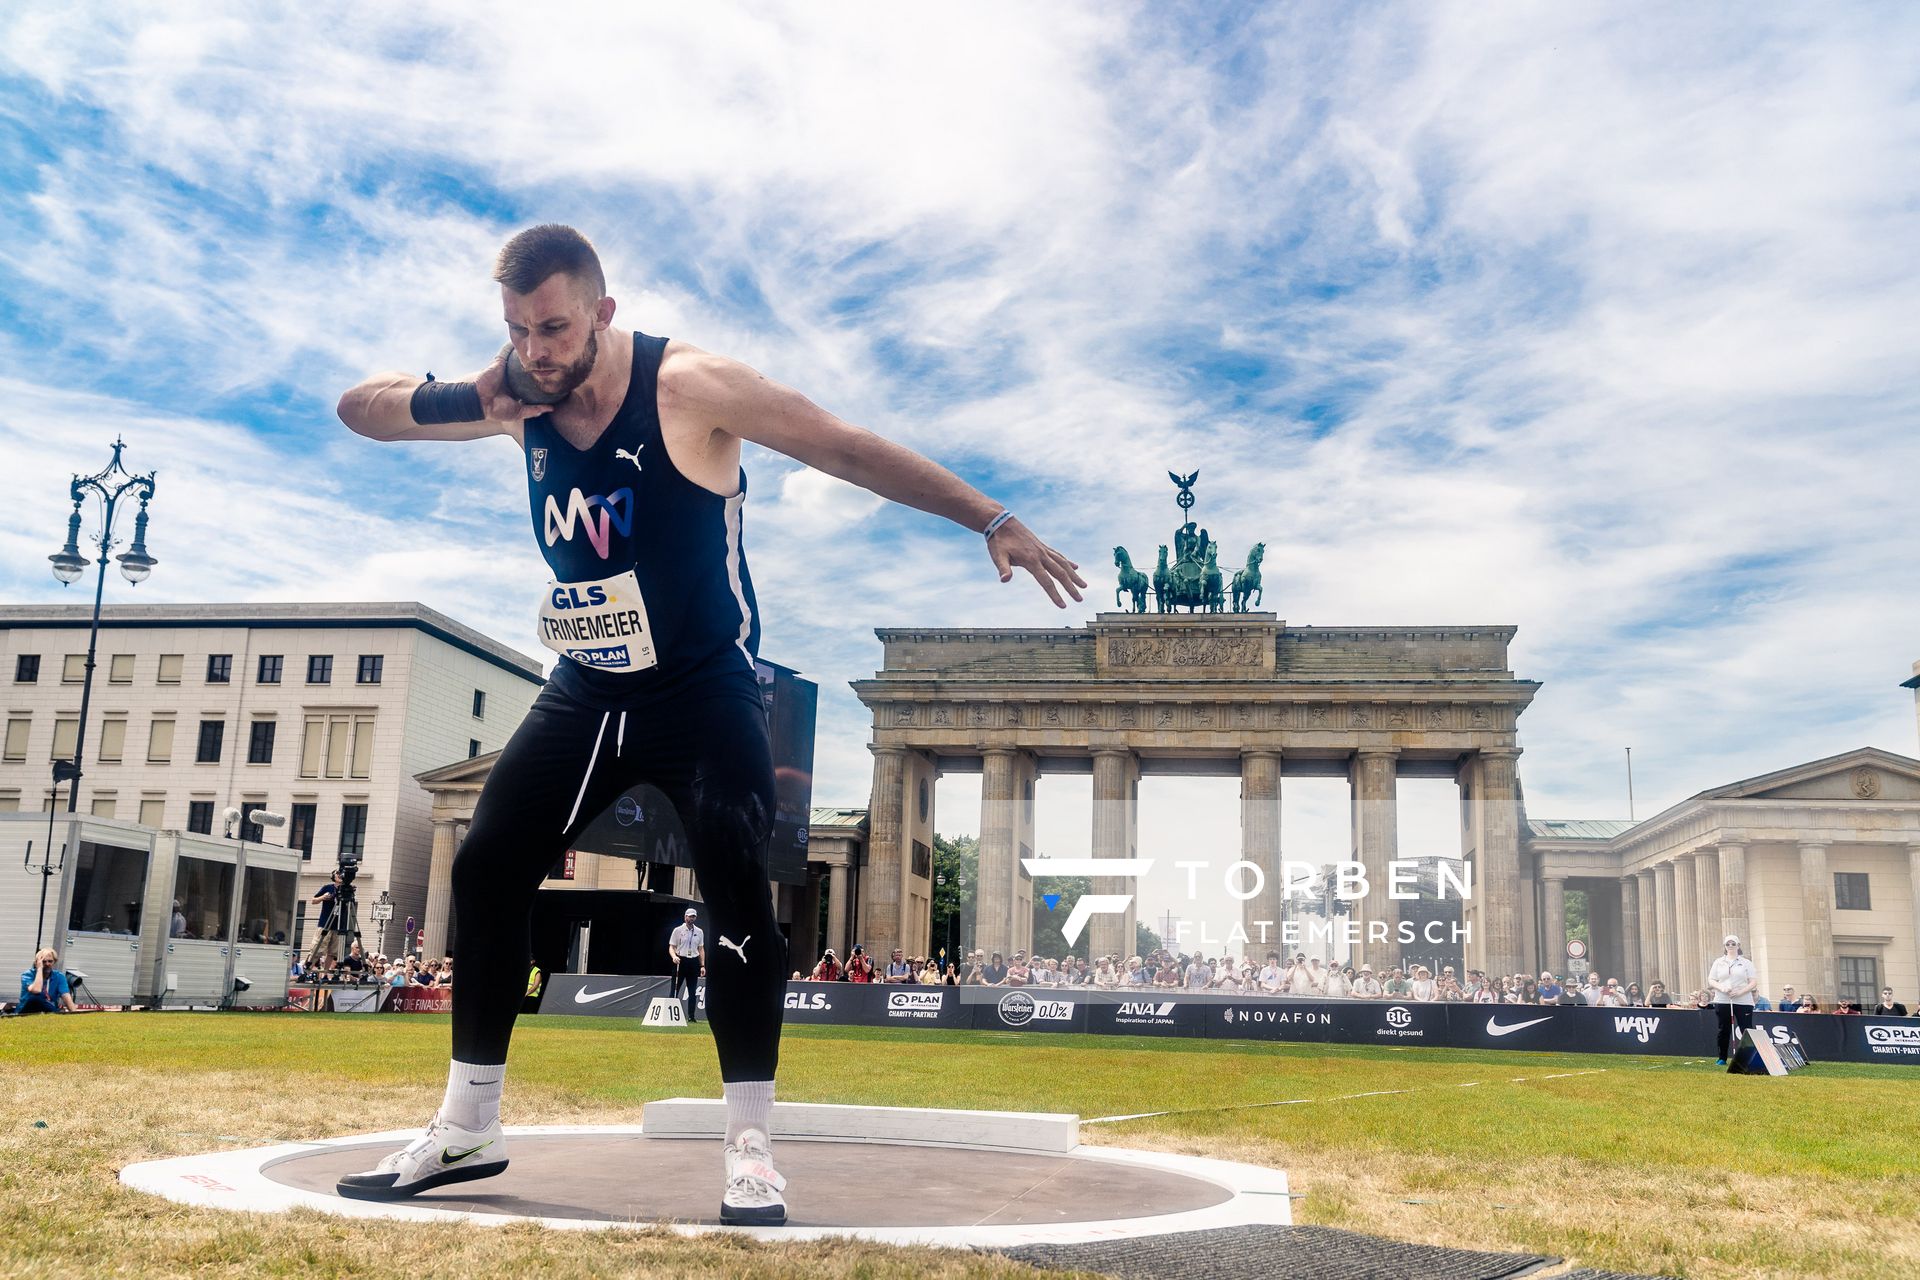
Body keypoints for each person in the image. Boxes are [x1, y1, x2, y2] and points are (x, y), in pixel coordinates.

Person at [332, 225, 1082, 1221]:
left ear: (604, 312)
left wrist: (991, 517)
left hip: (705, 682)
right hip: (590, 682)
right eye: (517, 329)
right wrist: (471, 394)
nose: (537, 348)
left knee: (735, 891)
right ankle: (469, 1122)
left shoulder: (690, 385)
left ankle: (751, 1144)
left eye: (553, 326)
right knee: (486, 861)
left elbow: (845, 446)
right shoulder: (518, 395)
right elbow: (361, 410)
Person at [1705, 934, 1758, 1065]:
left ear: (1738, 946)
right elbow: (1711, 980)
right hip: (1723, 1000)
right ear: (1724, 946)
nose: (1730, 946)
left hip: (1743, 1000)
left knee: (1745, 1028)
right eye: (1728, 944)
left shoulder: (1746, 963)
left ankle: (1748, 1057)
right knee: (1724, 1029)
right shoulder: (1718, 962)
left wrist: (1740, 992)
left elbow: (1753, 982)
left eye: (1733, 944)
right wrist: (1722, 988)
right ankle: (1722, 1058)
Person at [668, 908, 706, 1023]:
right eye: (689, 916)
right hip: (680, 960)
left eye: (693, 916)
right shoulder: (678, 930)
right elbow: (671, 946)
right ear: (685, 917)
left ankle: (691, 1016)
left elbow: (701, 949)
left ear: (695, 917)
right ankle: (670, 1015)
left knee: (692, 991)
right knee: (675, 989)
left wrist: (702, 965)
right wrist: (674, 956)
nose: (691, 918)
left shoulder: (699, 931)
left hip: (693, 962)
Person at [18, 948, 77, 1015]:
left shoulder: (59, 976)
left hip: (48, 1009)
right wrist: (39, 969)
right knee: (36, 999)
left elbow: (66, 996)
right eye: (44, 961)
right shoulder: (28, 974)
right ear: (37, 963)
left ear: (54, 961)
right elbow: (36, 990)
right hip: (27, 1011)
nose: (47, 964)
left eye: (50, 961)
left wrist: (75, 1014)